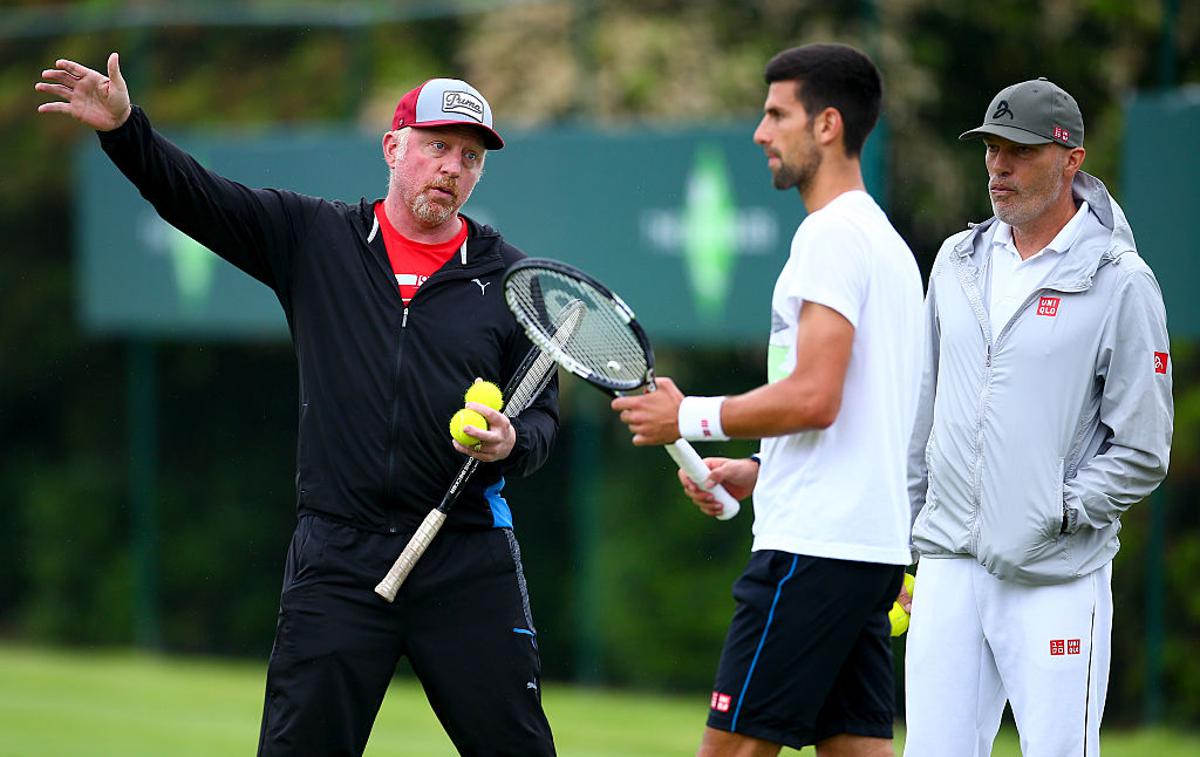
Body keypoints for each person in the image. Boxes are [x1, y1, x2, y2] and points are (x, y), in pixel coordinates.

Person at [37, 53, 559, 756]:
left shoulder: (508, 278)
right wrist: (127, 131)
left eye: (470, 156)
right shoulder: (317, 238)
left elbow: (542, 419)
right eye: (437, 146)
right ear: (393, 147)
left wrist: (510, 443)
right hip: (340, 555)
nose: (452, 168)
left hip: (465, 556)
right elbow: (197, 198)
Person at [612, 43, 923, 757]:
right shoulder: (888, 246)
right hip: (866, 551)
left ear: (828, 126)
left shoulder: (832, 237)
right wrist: (762, 469)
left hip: (812, 553)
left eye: (777, 113)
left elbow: (816, 397)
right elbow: (863, 414)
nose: (760, 132)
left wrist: (684, 416)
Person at [903, 78, 1173, 756]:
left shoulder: (1122, 280)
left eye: (1018, 150)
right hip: (948, 564)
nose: (998, 166)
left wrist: (1057, 508)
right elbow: (924, 411)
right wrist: (915, 528)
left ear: (1071, 159)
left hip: (1054, 574)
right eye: (991, 148)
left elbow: (1144, 447)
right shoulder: (955, 261)